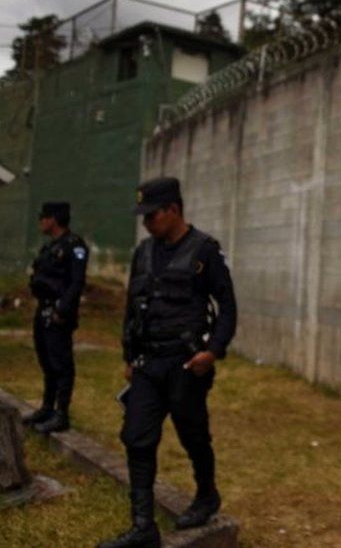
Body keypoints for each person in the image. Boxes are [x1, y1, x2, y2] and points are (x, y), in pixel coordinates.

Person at [99, 177, 237, 548]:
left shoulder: (204, 250)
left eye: (152, 215)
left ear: (173, 210)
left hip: (186, 363)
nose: (146, 223)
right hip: (148, 363)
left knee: (193, 433)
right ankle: (143, 527)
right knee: (136, 437)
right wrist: (129, 355)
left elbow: (228, 307)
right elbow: (132, 308)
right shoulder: (143, 252)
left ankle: (206, 495)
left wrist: (214, 351)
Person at [24, 202, 88, 434]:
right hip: (43, 309)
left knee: (61, 362)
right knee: (46, 360)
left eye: (44, 217)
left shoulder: (74, 246)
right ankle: (47, 407)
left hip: (59, 313)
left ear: (54, 219)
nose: (41, 221)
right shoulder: (50, 247)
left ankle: (62, 412)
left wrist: (63, 310)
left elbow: (76, 282)